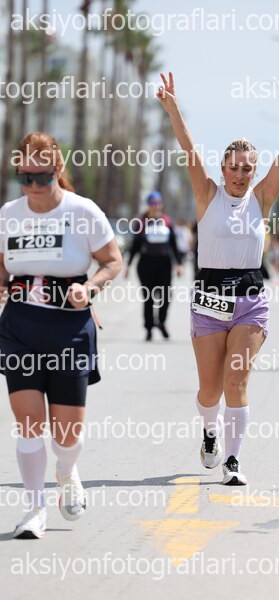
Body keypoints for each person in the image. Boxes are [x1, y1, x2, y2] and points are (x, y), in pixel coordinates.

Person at [157, 72, 279, 485]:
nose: (240, 174)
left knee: (236, 381)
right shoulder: (207, 195)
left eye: (248, 169)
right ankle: (210, 429)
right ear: (223, 169)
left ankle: (233, 461)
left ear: (255, 172)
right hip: (209, 300)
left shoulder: (262, 198)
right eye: (234, 168)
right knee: (210, 392)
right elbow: (188, 149)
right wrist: (173, 109)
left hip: (250, 301)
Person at [0, 132, 122, 538]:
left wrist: (90, 288)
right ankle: (35, 509)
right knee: (28, 422)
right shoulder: (9, 214)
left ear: (58, 170)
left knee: (66, 436)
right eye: (25, 177)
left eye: (42, 177)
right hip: (20, 327)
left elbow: (112, 261)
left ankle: (67, 471)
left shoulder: (82, 211)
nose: (34, 186)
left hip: (70, 328)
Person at [124, 191, 183, 341]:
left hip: (164, 263)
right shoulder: (141, 222)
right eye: (152, 203)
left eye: (157, 203)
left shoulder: (166, 221)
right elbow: (135, 245)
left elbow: (174, 244)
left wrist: (179, 263)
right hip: (146, 263)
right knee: (149, 297)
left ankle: (161, 322)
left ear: (161, 204)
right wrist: (128, 266)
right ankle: (149, 328)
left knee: (165, 296)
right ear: (148, 204)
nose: (155, 206)